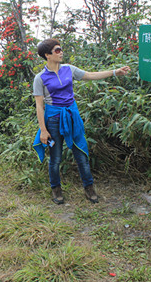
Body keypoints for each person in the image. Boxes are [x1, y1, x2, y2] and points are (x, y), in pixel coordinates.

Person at [33, 38, 130, 205]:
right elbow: (39, 106)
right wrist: (43, 130)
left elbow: (90, 75)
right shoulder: (40, 78)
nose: (61, 52)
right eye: (57, 50)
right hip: (53, 120)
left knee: (81, 153)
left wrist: (115, 72)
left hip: (72, 116)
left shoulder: (68, 69)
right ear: (47, 55)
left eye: (61, 49)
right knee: (55, 157)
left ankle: (89, 187)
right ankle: (56, 189)